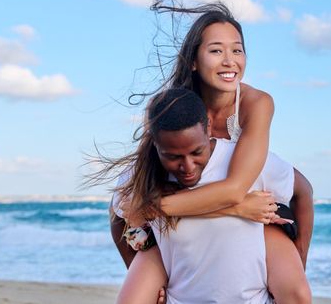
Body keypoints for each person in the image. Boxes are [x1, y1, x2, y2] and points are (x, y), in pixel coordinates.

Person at [111, 0, 314, 303]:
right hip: (198, 202)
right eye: (216, 51)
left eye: (237, 50)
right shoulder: (175, 109)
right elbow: (129, 198)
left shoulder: (256, 103)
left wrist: (298, 260)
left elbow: (237, 189)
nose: (230, 60)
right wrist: (147, 272)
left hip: (245, 186)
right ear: (193, 60)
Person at [116, 88, 311, 304]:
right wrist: (145, 277)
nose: (187, 167)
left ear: (208, 127)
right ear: (154, 142)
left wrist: (300, 261)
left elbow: (303, 191)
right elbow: (118, 217)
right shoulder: (144, 174)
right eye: (173, 157)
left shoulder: (242, 161)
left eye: (197, 152)